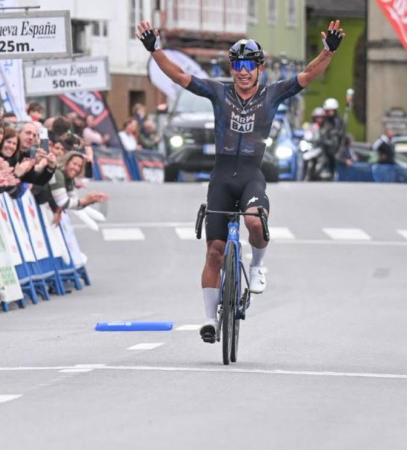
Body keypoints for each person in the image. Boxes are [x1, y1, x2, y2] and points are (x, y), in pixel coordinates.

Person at [137, 18, 343, 344]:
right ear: (231, 68)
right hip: (220, 178)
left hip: (250, 175)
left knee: (255, 222)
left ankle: (258, 265)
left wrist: (328, 51)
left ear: (259, 68)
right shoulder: (219, 93)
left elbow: (307, 75)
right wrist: (155, 49)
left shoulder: (272, 94)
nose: (243, 71)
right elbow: (179, 76)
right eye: (237, 65)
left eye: (249, 65)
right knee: (214, 253)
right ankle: (210, 320)